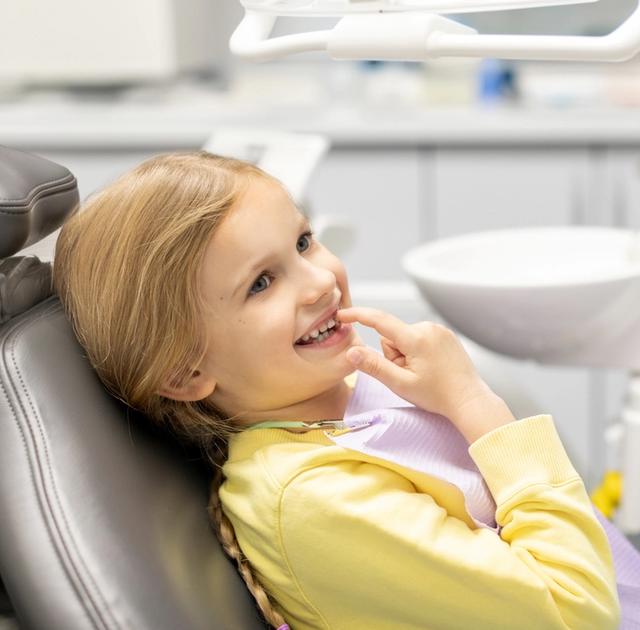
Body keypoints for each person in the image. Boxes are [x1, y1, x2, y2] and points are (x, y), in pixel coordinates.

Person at [52, 150, 623, 630]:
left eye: (303, 242)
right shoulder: (312, 502)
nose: (321, 280)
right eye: (261, 283)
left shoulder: (344, 396)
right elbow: (577, 615)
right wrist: (476, 407)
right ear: (183, 372)